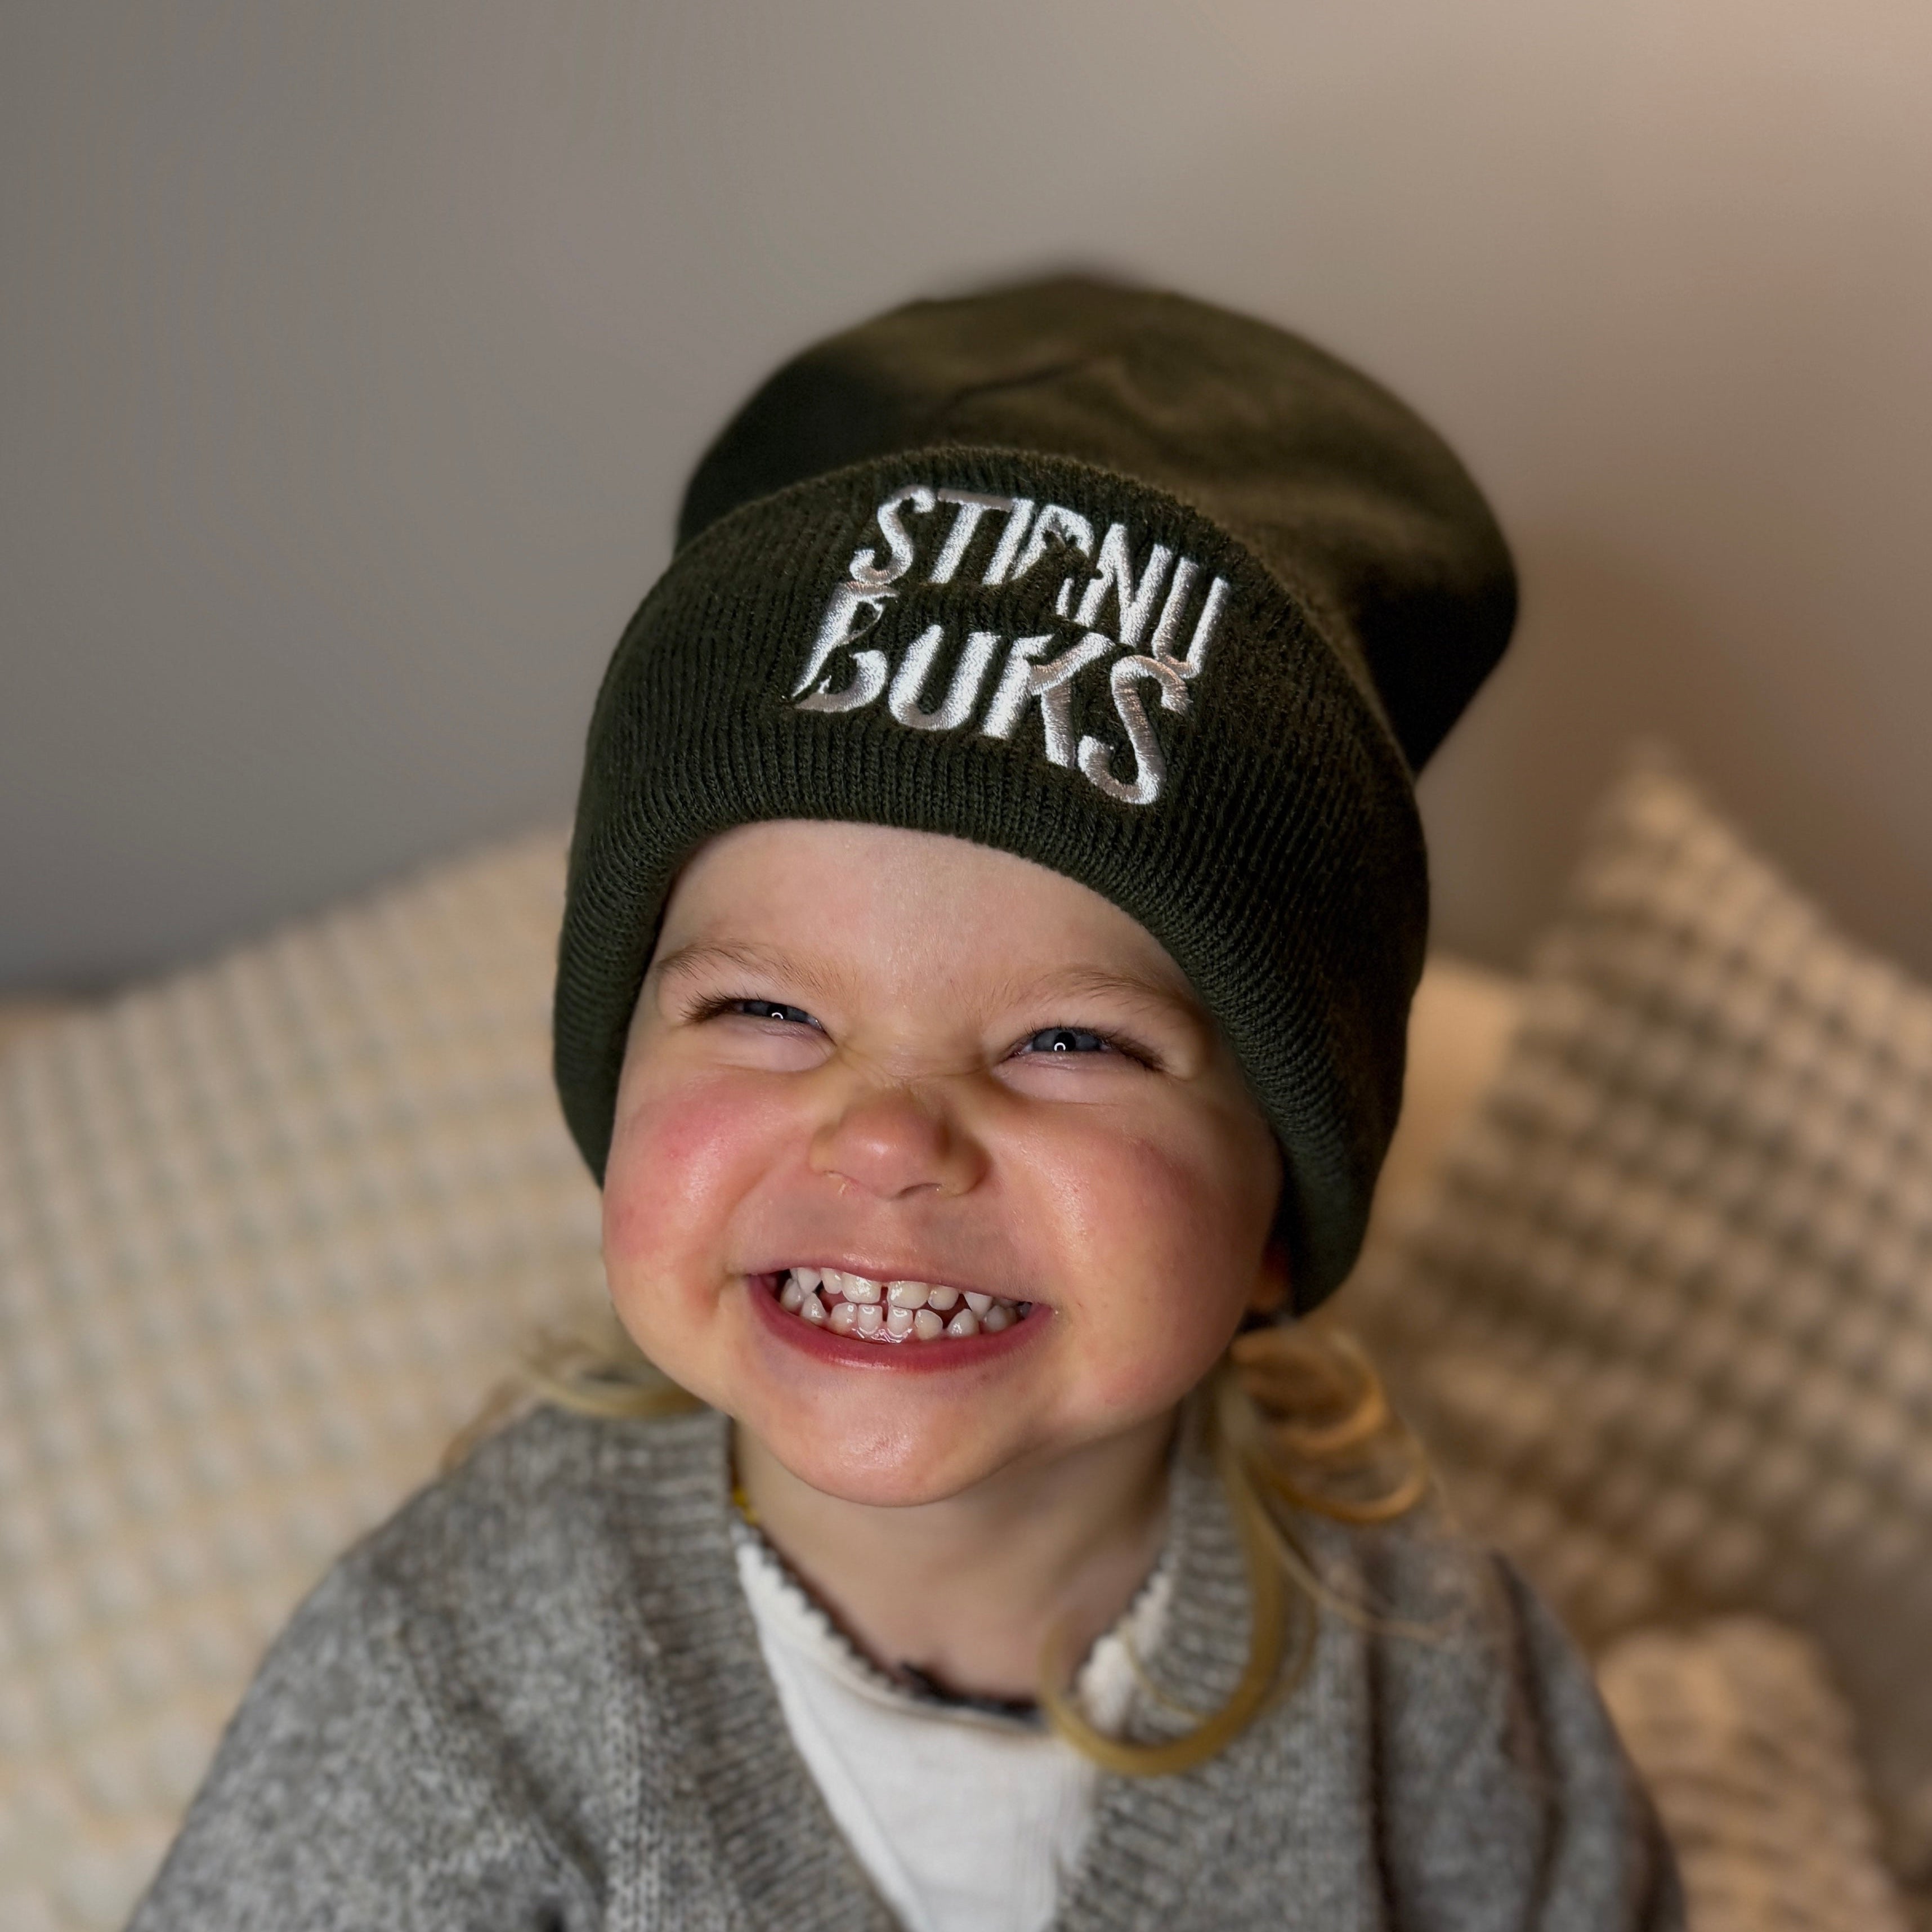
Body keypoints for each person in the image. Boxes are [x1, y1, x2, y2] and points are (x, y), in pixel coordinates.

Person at [129, 278, 1681, 1930]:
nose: (886, 1137)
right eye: (770, 1010)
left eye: (1068, 1043)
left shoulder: (1428, 1678)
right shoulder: (450, 1679)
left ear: (1277, 1223)